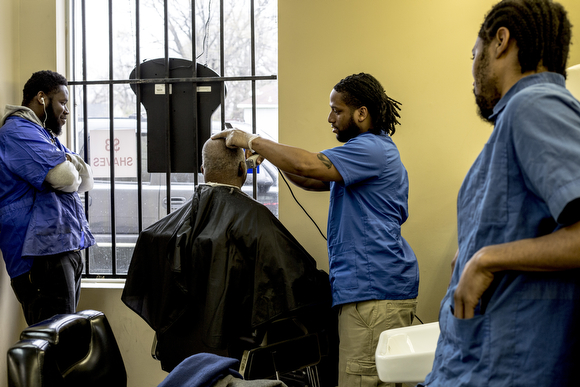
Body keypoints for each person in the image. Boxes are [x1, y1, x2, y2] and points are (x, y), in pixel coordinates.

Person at [213, 73, 419, 387]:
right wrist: (271, 156)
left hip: (374, 295)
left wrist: (252, 140)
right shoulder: (368, 153)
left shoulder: (371, 149)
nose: (330, 118)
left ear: (361, 113)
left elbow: (308, 165)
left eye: (337, 110)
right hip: (373, 292)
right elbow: (309, 178)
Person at [422, 1, 580, 385]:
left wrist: (486, 260)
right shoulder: (518, 117)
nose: (473, 71)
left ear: (500, 42)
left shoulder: (534, 104)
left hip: (505, 366)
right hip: (482, 359)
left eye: (475, 53)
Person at [122, 138, 335, 378]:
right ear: (243, 169)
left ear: (203, 171)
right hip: (237, 352)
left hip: (181, 357)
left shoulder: (160, 232)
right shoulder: (255, 219)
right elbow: (298, 281)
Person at [0, 70, 94, 326]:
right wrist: (68, 165)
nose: (66, 110)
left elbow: (87, 180)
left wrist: (69, 161)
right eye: (62, 102)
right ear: (41, 98)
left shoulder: (44, 135)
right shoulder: (18, 131)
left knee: (65, 343)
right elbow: (66, 179)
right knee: (54, 347)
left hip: (59, 248)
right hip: (39, 256)